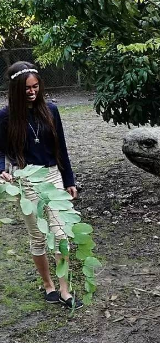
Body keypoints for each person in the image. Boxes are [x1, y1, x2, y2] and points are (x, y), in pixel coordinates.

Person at [0, 61, 82, 309]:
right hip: (26, 180)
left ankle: (65, 290)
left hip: (53, 176)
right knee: (38, 238)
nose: (32, 91)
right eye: (26, 88)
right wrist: (1, 170)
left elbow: (62, 149)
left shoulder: (52, 110)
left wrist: (69, 180)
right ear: (15, 89)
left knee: (61, 235)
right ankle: (48, 286)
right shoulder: (5, 117)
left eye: (36, 86)